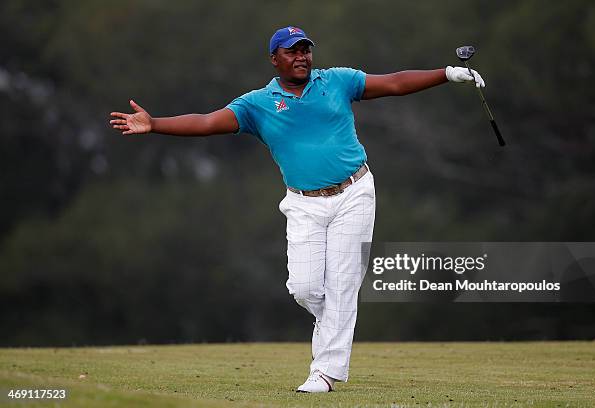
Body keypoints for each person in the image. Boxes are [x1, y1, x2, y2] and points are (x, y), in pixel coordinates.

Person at [109, 26, 485, 393]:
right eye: (292, 51)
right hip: (303, 204)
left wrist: (448, 73)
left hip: (354, 193)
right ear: (275, 60)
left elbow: (395, 83)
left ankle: (324, 373)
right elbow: (207, 123)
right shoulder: (257, 104)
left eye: (305, 49)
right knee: (305, 289)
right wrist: (155, 123)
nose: (301, 56)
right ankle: (337, 318)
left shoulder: (338, 81)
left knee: (341, 285)